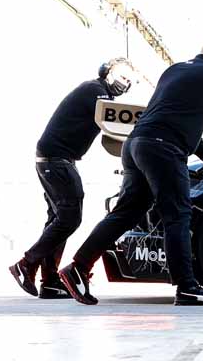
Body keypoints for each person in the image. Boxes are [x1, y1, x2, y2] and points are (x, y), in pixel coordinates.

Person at [58, 38, 203, 307]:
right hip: (163, 149)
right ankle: (187, 288)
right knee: (178, 215)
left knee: (125, 213)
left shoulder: (173, 71)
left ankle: (78, 266)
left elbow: (174, 117)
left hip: (136, 145)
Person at [9, 58, 134, 298]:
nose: (124, 83)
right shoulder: (95, 91)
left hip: (53, 159)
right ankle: (26, 264)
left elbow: (111, 136)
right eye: (122, 76)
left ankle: (50, 281)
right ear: (106, 72)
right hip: (57, 160)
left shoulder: (98, 95)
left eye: (129, 80)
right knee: (70, 218)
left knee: (58, 219)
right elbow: (118, 120)